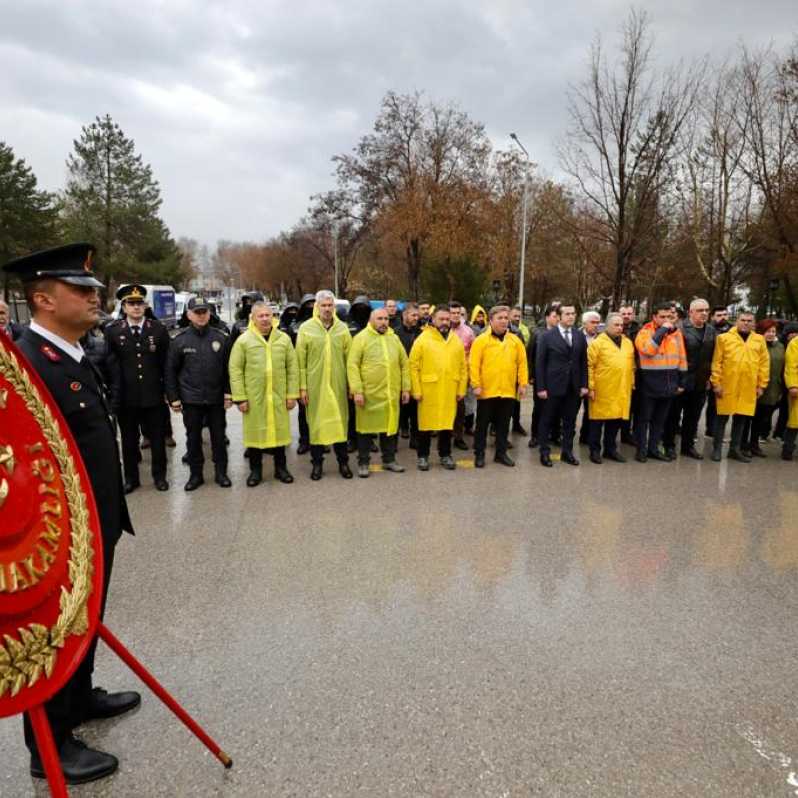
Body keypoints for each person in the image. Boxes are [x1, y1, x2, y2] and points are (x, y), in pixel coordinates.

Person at [4, 243, 138, 784]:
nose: (95, 297)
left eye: (93, 289)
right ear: (42, 298)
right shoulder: (28, 364)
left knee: (85, 618)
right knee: (55, 629)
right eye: (80, 290)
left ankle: (79, 698)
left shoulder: (73, 353)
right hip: (58, 533)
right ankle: (50, 746)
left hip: (93, 522)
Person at [105, 284, 171, 492]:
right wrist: (114, 396)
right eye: (131, 304)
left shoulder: (158, 330)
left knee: (158, 439)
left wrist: (169, 393)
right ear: (123, 307)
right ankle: (131, 479)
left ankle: (159, 477)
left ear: (145, 306)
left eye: (139, 303)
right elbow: (110, 365)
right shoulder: (113, 332)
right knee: (129, 441)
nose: (136, 307)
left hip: (153, 396)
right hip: (127, 398)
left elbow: (166, 365)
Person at [166, 296, 232, 490]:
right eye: (197, 312)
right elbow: (170, 371)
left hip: (216, 398)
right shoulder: (179, 340)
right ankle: (196, 476)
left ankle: (221, 473)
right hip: (191, 399)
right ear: (189, 315)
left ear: (210, 313)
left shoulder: (221, 338)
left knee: (218, 438)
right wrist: (174, 398)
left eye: (204, 312)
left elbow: (229, 369)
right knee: (193, 439)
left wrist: (229, 394)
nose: (201, 316)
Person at [229, 301, 298, 486]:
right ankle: (255, 472)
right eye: (261, 316)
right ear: (253, 318)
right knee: (255, 436)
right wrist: (240, 398)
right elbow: (235, 370)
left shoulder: (283, 339)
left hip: (278, 396)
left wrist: (292, 395)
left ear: (273, 317)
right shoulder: (244, 341)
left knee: (279, 434)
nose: (265, 319)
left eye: (268, 315)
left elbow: (293, 368)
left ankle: (281, 469)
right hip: (254, 398)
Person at [296, 289, 353, 480]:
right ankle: (317, 463)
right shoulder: (306, 328)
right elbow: (300, 361)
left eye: (330, 305)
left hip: (338, 385)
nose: (327, 309)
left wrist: (351, 385)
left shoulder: (342, 329)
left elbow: (350, 360)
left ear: (334, 307)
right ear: (317, 307)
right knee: (317, 425)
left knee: (339, 423)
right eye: (324, 305)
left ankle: (343, 463)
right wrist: (302, 387)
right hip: (315, 386)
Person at [347, 307, 410, 477]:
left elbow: (404, 364)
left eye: (386, 319)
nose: (384, 322)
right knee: (365, 431)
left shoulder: (394, 338)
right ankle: (363, 462)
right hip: (368, 395)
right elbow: (352, 366)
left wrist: (406, 387)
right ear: (371, 320)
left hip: (390, 394)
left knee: (389, 429)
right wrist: (357, 390)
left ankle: (389, 460)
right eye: (380, 319)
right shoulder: (361, 339)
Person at [409, 305, 467, 471]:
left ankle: (445, 454)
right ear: (433, 320)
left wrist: (461, 389)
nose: (444, 322)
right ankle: (423, 456)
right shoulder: (423, 339)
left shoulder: (455, 340)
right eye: (441, 319)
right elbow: (413, 366)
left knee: (447, 425)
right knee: (425, 426)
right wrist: (417, 390)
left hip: (450, 389)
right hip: (428, 390)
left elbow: (463, 366)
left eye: (447, 319)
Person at [469, 305, 528, 468]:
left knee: (503, 425)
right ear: (491, 320)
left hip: (508, 391)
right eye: (500, 318)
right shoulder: (481, 340)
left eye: (505, 318)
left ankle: (501, 453)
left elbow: (522, 363)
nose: (504, 321)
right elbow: (473, 364)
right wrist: (476, 384)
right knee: (482, 425)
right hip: (487, 391)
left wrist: (523, 383)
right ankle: (479, 454)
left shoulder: (515, 341)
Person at [709, 309, 769, 462]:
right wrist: (716, 383)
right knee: (721, 418)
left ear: (754, 323)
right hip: (727, 384)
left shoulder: (759, 340)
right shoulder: (724, 338)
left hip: (748, 386)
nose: (746, 323)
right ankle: (716, 449)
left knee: (741, 420)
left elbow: (764, 364)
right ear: (737, 321)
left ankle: (734, 449)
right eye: (743, 320)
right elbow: (717, 362)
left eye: (749, 321)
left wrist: (761, 385)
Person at [535, 303, 588, 467]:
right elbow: (540, 363)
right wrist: (541, 387)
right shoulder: (546, 336)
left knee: (570, 422)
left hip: (573, 387)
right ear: (558, 316)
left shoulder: (579, 336)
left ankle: (567, 452)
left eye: (573, 313)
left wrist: (584, 384)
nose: (571, 316)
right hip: (552, 387)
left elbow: (583, 362)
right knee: (547, 421)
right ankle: (544, 453)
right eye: (567, 314)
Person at [662, 298, 716, 459]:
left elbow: (713, 356)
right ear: (691, 312)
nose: (704, 313)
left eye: (706, 310)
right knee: (673, 416)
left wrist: (710, 377)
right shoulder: (679, 329)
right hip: (681, 380)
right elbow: (672, 356)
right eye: (700, 310)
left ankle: (687, 446)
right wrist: (675, 380)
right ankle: (669, 445)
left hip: (701, 381)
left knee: (693, 416)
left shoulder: (711, 331)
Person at [633, 302, 687, 462]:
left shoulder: (676, 334)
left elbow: (682, 358)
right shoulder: (644, 332)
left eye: (669, 317)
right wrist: (663, 330)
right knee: (644, 419)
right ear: (654, 317)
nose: (666, 320)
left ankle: (653, 449)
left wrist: (682, 382)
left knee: (660, 420)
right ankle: (641, 450)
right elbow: (649, 350)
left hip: (669, 383)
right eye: (662, 317)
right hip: (649, 383)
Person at [586, 312, 635, 463]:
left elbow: (632, 366)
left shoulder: (627, 343)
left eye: (622, 325)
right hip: (602, 389)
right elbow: (589, 366)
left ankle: (610, 449)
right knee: (597, 423)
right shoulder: (597, 343)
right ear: (607, 326)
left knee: (615, 421)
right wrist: (591, 387)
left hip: (621, 389)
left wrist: (632, 383)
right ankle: (594, 451)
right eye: (616, 325)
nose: (620, 328)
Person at [741, 319, 784, 458]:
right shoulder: (754, 345)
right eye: (768, 331)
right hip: (754, 388)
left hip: (772, 389)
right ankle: (743, 444)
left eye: (773, 331)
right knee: (747, 419)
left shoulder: (780, 347)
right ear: (760, 332)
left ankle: (754, 445)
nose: (771, 334)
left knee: (761, 419)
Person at [528, 305, 561, 449]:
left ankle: (554, 435)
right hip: (541, 377)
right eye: (554, 316)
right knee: (539, 408)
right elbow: (530, 355)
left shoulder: (563, 334)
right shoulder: (538, 333)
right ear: (547, 317)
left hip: (558, 378)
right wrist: (531, 375)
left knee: (557, 408)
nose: (557, 319)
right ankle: (535, 436)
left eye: (559, 316)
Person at [291, 294, 316, 454]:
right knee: (303, 411)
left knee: (320, 410)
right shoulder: (295, 325)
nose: (311, 308)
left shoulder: (319, 326)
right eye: (308, 304)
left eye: (314, 304)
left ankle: (319, 440)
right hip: (299, 368)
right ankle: (304, 440)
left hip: (317, 370)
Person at [449, 301, 475, 447]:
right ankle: (444, 433)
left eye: (458, 313)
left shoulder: (468, 332)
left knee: (460, 407)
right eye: (453, 313)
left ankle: (458, 437)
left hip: (461, 375)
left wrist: (470, 374)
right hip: (444, 375)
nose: (455, 316)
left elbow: (473, 354)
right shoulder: (441, 330)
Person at [396, 302, 421, 447]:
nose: (416, 318)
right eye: (413, 315)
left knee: (415, 409)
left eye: (417, 315)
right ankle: (401, 429)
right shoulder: (395, 333)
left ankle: (415, 437)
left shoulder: (422, 333)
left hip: (417, 375)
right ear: (405, 315)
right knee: (401, 407)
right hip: (400, 375)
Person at [705, 306, 732, 436]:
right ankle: (710, 428)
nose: (723, 317)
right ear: (713, 317)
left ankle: (717, 429)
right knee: (710, 403)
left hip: (726, 372)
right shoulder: (709, 330)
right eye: (719, 315)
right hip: (709, 369)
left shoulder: (733, 332)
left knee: (721, 402)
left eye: (725, 314)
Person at [577, 310, 602, 443]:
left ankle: (585, 437)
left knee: (590, 410)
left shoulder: (602, 338)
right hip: (577, 378)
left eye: (598, 322)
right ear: (585, 323)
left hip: (594, 379)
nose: (596, 325)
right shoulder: (575, 335)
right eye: (593, 322)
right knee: (571, 409)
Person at [619, 304, 641, 445]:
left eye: (629, 313)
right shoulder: (613, 328)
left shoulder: (639, 330)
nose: (626, 316)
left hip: (636, 371)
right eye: (624, 313)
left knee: (633, 406)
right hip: (619, 371)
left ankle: (627, 434)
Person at [782, 327, 798, 460]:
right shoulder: (795, 343)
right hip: (797, 388)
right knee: (795, 421)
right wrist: (792, 385)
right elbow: (791, 366)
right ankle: (787, 449)